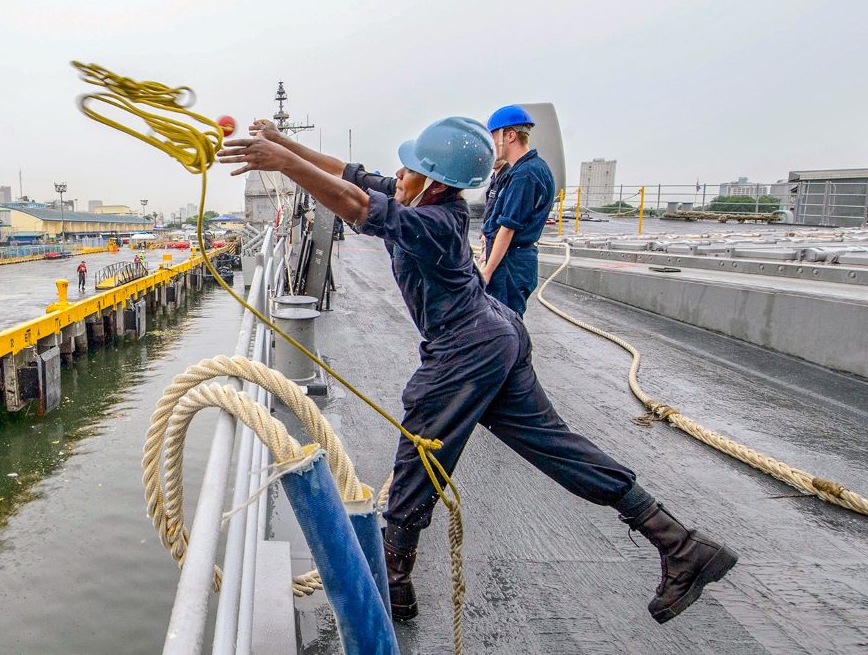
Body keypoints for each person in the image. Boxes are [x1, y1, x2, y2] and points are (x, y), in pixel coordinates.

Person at [217, 117, 737, 625]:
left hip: (466, 348)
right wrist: (285, 144)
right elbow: (350, 175)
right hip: (496, 333)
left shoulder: (434, 222)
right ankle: (680, 544)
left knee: (419, 450)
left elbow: (353, 204)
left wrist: (280, 161)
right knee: (552, 444)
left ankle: (394, 583)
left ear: (434, 180)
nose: (396, 175)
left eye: (408, 168)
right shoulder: (416, 198)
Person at [479, 105, 554, 316]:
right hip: (512, 260)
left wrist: (487, 270)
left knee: (503, 325)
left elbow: (508, 228)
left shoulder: (525, 174)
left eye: (493, 137)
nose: (491, 145)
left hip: (511, 263)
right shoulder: (527, 169)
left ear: (510, 135)